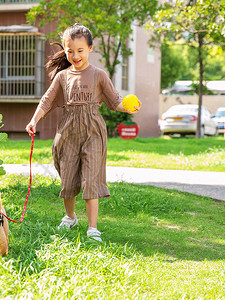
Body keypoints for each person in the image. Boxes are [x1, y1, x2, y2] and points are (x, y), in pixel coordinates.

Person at [25, 24, 140, 241]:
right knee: (67, 179)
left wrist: (128, 107)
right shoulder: (63, 77)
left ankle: (93, 228)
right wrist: (34, 120)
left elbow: (115, 102)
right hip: (68, 130)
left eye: (80, 51)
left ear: (90, 48)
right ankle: (70, 217)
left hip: (93, 130)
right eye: (70, 51)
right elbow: (47, 100)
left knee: (90, 179)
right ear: (65, 51)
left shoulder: (99, 75)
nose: (75, 55)